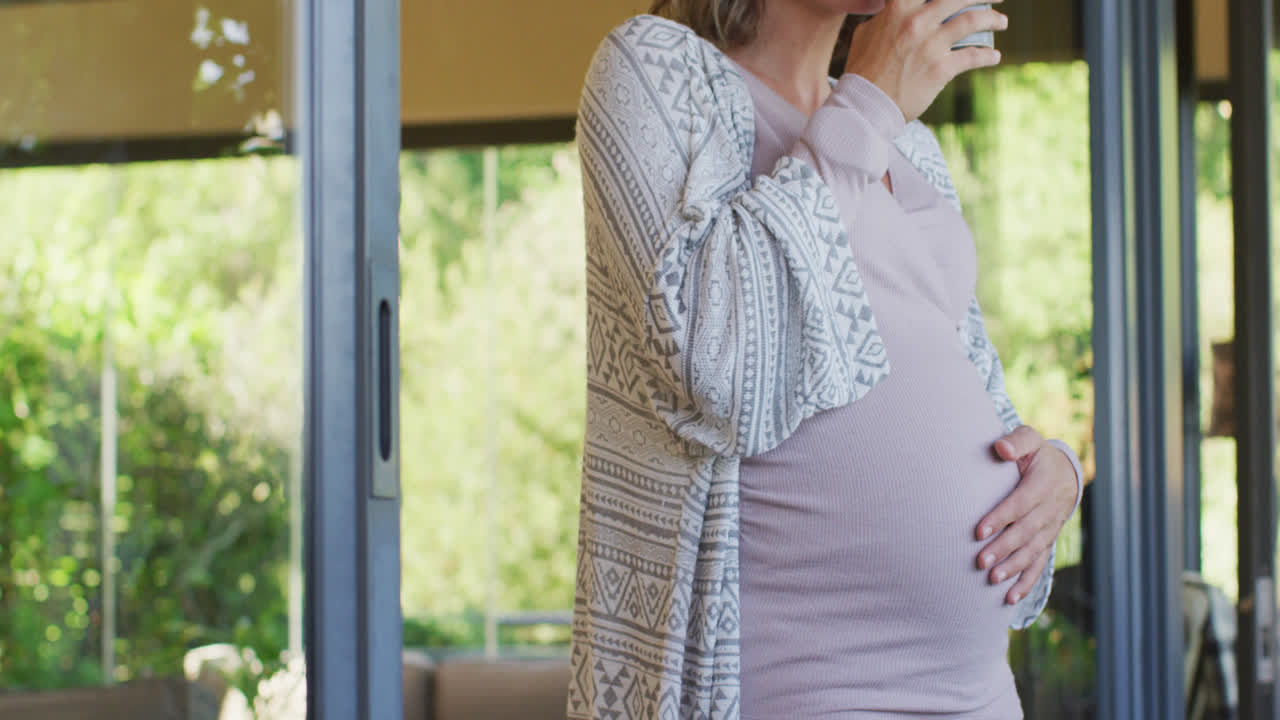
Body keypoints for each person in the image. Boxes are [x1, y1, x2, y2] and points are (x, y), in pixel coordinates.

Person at [568, 1, 1085, 718]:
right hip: (811, 686)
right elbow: (716, 364)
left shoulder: (911, 147)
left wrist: (1051, 475)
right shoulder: (653, 70)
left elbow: (968, 381)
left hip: (979, 694)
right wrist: (866, 108)